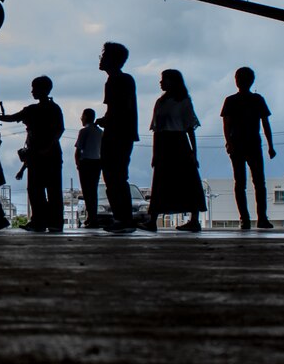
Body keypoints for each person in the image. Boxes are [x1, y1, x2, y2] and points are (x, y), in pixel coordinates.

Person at [0, 76, 66, 233]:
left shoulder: (32, 110)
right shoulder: (54, 109)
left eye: (34, 88)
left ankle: (39, 222)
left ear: (42, 89)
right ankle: (54, 223)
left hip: (37, 156)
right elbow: (59, 130)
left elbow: (12, 117)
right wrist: (49, 147)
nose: (32, 91)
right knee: (53, 190)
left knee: (36, 190)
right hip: (52, 156)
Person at [148, 68, 206, 232]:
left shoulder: (183, 101)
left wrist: (194, 153)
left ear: (173, 82)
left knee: (189, 181)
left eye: (164, 79)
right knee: (160, 181)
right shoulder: (160, 102)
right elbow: (156, 130)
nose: (161, 82)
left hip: (179, 142)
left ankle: (194, 220)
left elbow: (190, 129)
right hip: (163, 143)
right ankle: (152, 219)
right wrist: (154, 153)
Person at [221, 66, 277, 229]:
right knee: (254, 183)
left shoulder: (234, 100)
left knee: (245, 183)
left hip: (245, 144)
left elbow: (226, 124)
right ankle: (255, 218)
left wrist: (270, 145)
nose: (238, 80)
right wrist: (270, 146)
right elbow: (265, 124)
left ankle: (250, 219)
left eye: (240, 78)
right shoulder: (254, 99)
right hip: (247, 144)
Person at [97, 42, 139, 234]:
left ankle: (123, 218)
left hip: (117, 134)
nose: (101, 59)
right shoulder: (122, 80)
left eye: (104, 55)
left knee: (115, 176)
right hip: (122, 133)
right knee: (117, 176)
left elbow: (118, 109)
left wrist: (107, 121)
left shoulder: (116, 81)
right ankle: (122, 217)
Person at [74, 107, 104, 229]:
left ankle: (91, 218)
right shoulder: (100, 132)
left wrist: (78, 164)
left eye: (82, 116)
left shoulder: (84, 131)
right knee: (93, 191)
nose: (81, 118)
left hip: (86, 162)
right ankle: (92, 217)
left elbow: (78, 149)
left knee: (87, 192)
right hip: (97, 162)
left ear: (86, 117)